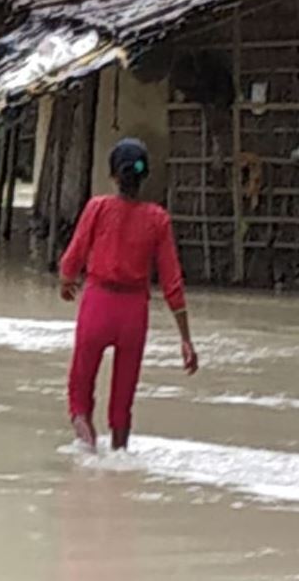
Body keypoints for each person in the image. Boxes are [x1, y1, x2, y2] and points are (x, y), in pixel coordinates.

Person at [60, 138, 199, 451]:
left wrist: (66, 282)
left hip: (98, 304)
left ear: (113, 175)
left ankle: (88, 452)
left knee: (79, 393)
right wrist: (186, 340)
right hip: (134, 313)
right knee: (123, 402)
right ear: (144, 176)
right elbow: (172, 283)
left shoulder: (97, 208)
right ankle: (118, 459)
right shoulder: (157, 219)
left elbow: (73, 257)